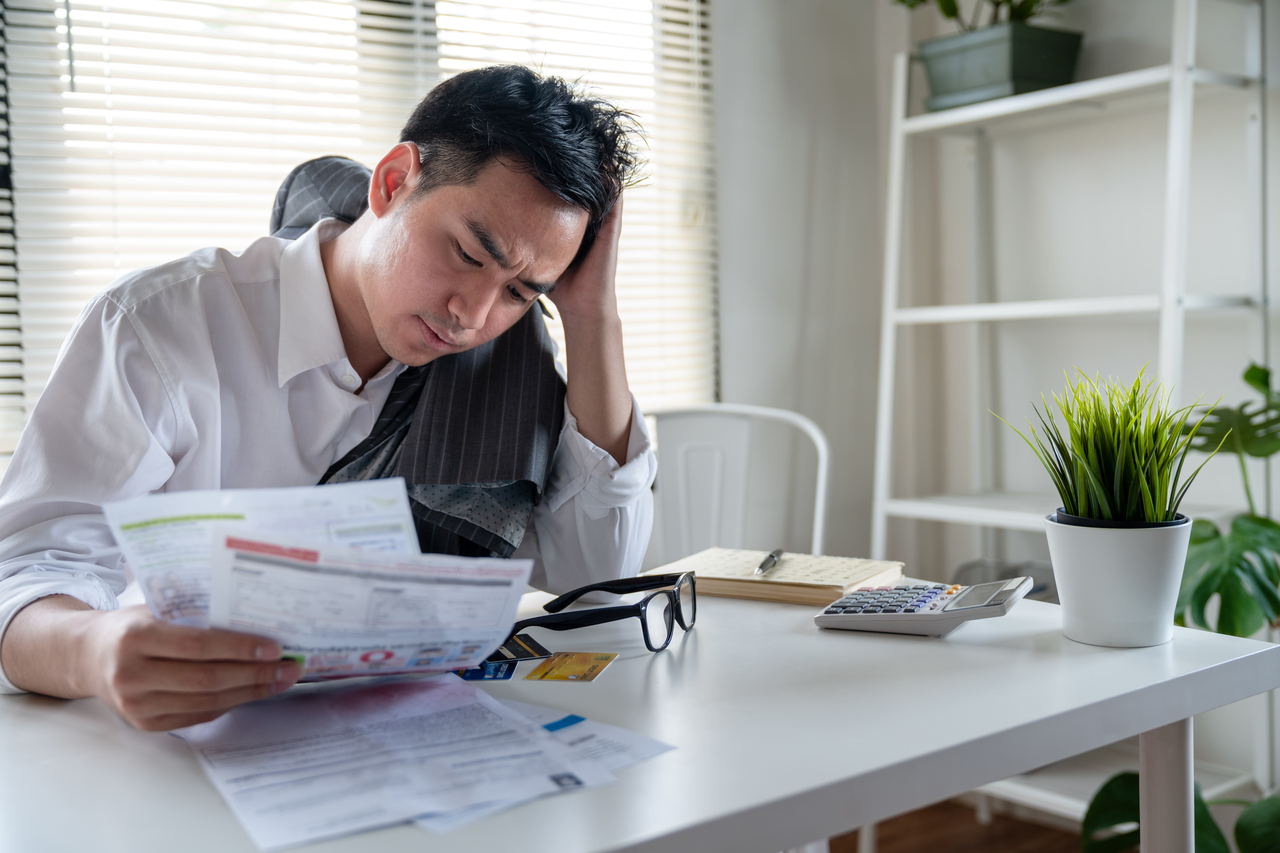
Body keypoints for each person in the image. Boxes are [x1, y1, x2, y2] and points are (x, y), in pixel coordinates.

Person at [0, 66, 656, 731]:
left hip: (404, 747)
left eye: (522, 292)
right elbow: (25, 575)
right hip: (178, 749)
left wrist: (591, 314)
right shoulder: (158, 327)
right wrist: (94, 649)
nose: (473, 314)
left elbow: (594, 576)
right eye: (465, 252)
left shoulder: (502, 361)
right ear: (393, 181)